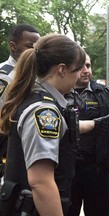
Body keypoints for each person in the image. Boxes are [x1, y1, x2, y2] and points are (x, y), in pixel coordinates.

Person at [0, 33, 97, 216]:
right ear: (61, 70)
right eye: (77, 69)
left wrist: (95, 124)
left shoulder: (34, 98)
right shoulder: (44, 112)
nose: (79, 76)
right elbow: (41, 182)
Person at [65, 53, 109, 216]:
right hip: (68, 169)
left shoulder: (103, 93)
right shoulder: (59, 94)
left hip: (97, 168)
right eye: (81, 66)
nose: (86, 70)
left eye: (89, 65)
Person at [0, 24, 40, 179]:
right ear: (13, 46)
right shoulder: (4, 75)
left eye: (37, 47)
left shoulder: (39, 74)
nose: (34, 51)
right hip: (8, 143)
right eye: (30, 46)